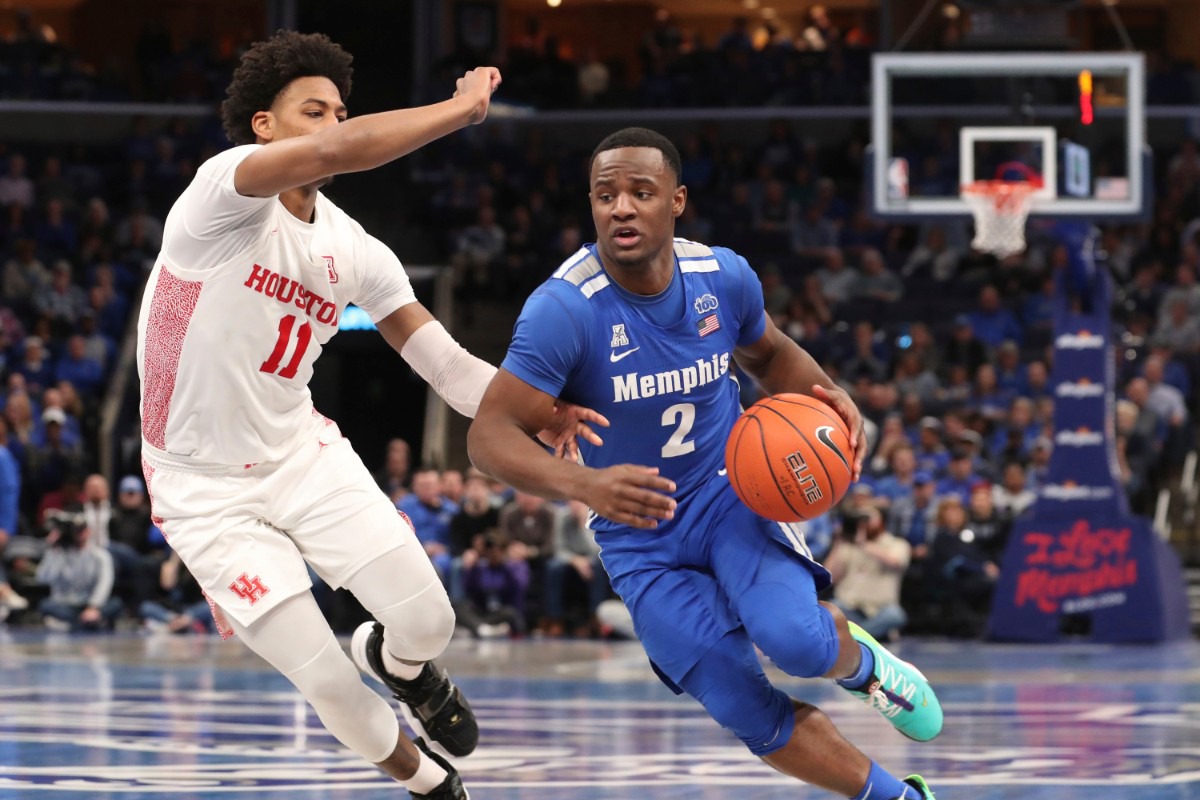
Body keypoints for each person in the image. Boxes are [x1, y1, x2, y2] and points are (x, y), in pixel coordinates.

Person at [135, 31, 598, 800]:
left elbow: (445, 364)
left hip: (301, 456)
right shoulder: (218, 197)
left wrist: (536, 413)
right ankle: (427, 784)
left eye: (339, 111)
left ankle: (399, 663)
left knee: (430, 622)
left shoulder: (354, 249)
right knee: (323, 677)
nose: (331, 124)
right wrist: (458, 109)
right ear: (264, 127)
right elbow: (332, 154)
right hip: (199, 487)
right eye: (311, 111)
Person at [468, 128, 941, 800]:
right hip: (636, 533)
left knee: (798, 645)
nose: (621, 208)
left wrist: (829, 398)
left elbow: (771, 355)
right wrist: (583, 483)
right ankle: (897, 798)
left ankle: (863, 665)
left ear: (677, 202)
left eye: (640, 192)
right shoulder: (563, 308)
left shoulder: (722, 276)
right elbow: (488, 437)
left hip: (730, 497)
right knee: (738, 700)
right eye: (606, 196)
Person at [824, 507, 911, 641]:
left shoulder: (897, 544)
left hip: (880, 609)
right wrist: (838, 543)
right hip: (850, 606)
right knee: (831, 609)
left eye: (868, 519)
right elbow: (830, 577)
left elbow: (895, 562)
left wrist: (864, 544)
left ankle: (854, 637)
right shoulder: (848, 546)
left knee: (895, 615)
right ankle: (871, 635)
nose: (863, 523)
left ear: (882, 521)